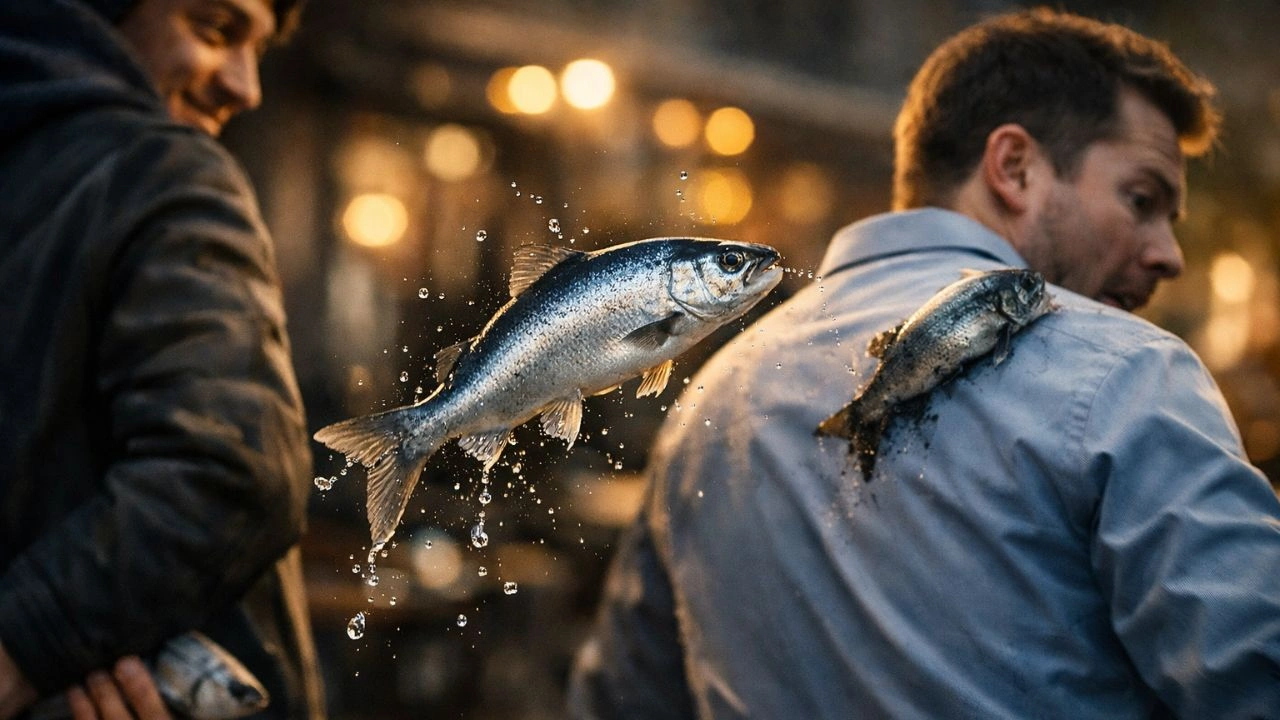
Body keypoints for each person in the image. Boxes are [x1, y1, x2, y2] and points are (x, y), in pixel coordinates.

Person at [569, 8, 1280, 719]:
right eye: (1143, 199)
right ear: (1015, 167)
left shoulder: (711, 399)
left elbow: (620, 700)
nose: (1169, 255)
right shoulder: (1128, 373)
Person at [0, 0, 324, 718]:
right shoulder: (163, 168)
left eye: (259, 50)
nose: (246, 87)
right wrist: (20, 646)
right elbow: (235, 471)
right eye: (213, 28)